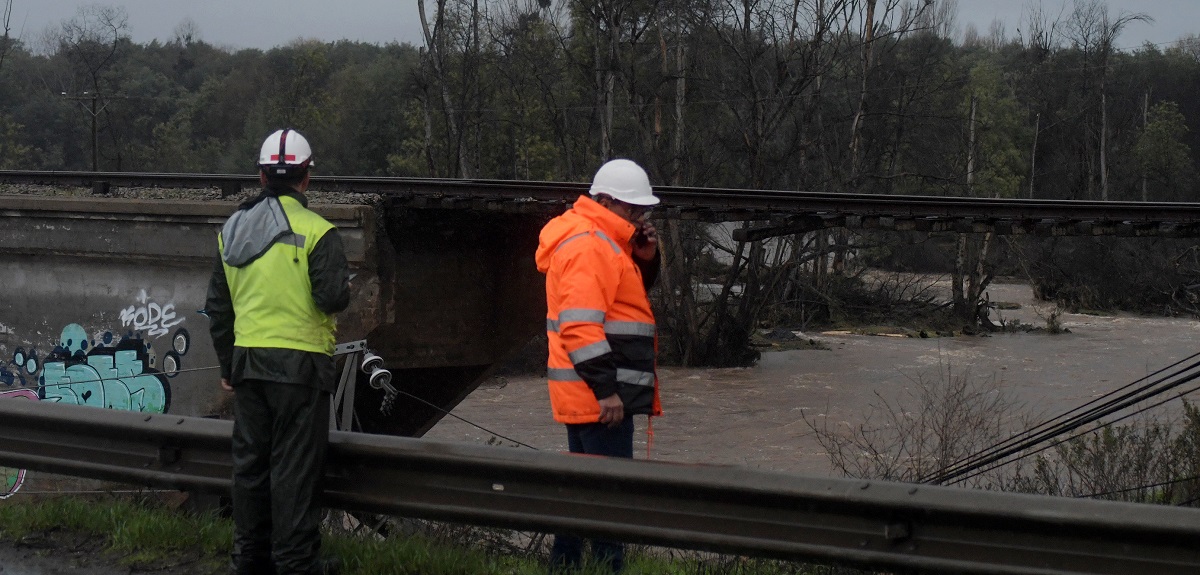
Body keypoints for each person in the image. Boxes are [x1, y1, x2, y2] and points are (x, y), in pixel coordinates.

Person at [205, 128, 350, 575]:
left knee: (250, 468)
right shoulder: (319, 231)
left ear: (262, 175)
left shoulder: (231, 231)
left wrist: (229, 365)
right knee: (295, 472)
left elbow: (218, 306)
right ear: (307, 176)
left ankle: (248, 560)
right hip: (301, 368)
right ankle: (295, 564)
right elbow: (329, 298)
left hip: (249, 365)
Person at [534, 158, 663, 573]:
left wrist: (644, 258)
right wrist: (607, 390)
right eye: (631, 209)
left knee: (582, 491)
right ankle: (605, 569)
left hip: (589, 393)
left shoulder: (601, 242)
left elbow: (622, 302)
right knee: (609, 497)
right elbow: (580, 327)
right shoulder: (590, 245)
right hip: (599, 397)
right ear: (604, 201)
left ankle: (565, 567)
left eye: (642, 210)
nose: (638, 217)